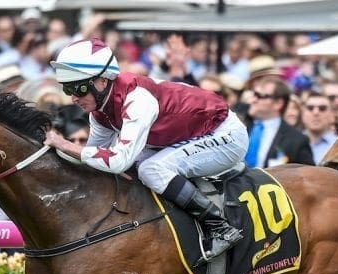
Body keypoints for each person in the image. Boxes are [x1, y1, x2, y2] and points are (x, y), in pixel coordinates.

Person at [43, 38, 249, 261]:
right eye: (68, 89)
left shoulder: (137, 100)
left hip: (224, 135)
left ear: (102, 81)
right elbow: (92, 157)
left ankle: (220, 227)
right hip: (188, 134)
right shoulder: (99, 112)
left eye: (79, 88)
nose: (73, 97)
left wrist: (65, 144)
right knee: (135, 166)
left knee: (150, 169)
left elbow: (116, 161)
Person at [244, 78, 314, 168]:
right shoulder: (238, 128)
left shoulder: (297, 140)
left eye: (259, 96)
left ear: (278, 103)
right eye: (254, 95)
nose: (253, 100)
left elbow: (308, 178)